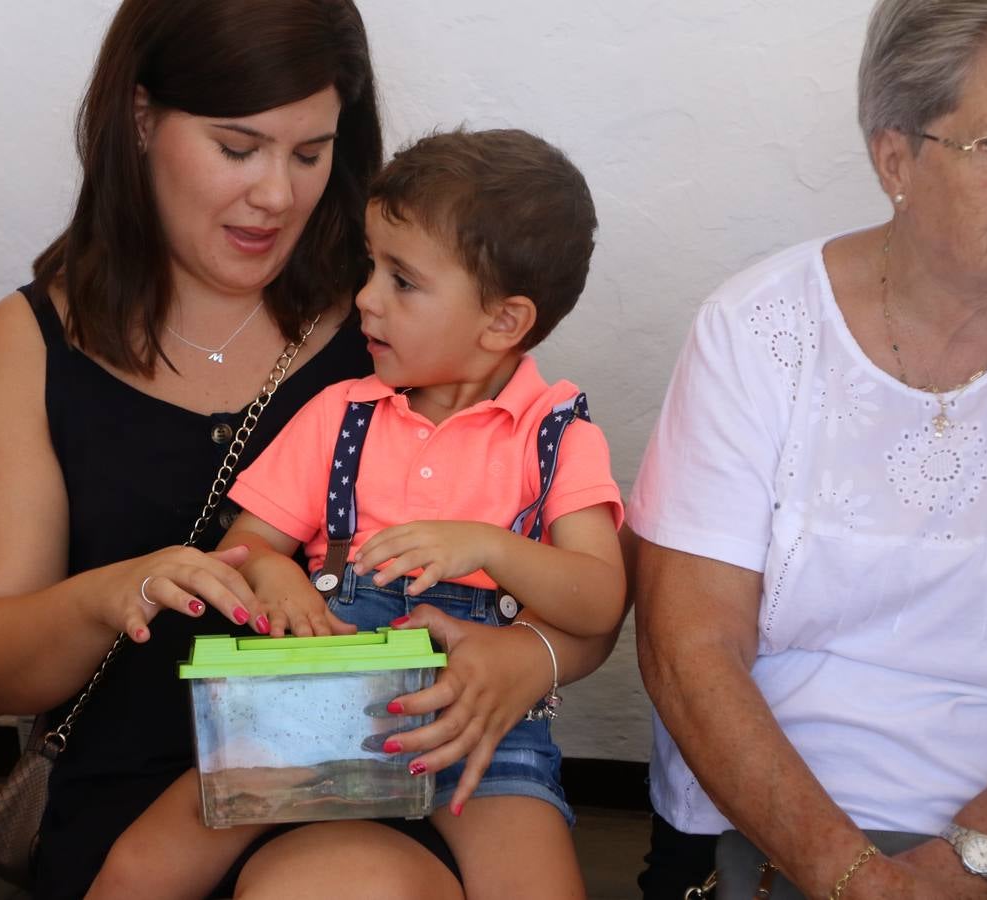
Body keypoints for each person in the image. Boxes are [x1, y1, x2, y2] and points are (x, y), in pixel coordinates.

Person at [0, 3, 624, 897]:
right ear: (142, 119)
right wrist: (116, 591)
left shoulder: (400, 322)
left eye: (311, 153)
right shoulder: (33, 340)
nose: (278, 195)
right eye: (239, 148)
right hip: (146, 790)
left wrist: (522, 659)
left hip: (383, 776)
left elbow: (580, 597)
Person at [91, 128, 626, 900]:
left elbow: (599, 597)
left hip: (477, 726)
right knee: (143, 865)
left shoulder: (557, 437)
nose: (367, 298)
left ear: (503, 322)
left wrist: (489, 547)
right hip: (311, 700)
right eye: (370, 267)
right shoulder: (343, 415)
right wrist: (282, 583)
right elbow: (249, 546)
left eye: (402, 281)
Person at [628, 0, 987, 897]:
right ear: (897, 159)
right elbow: (689, 647)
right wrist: (855, 879)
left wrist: (978, 852)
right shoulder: (762, 331)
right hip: (771, 835)